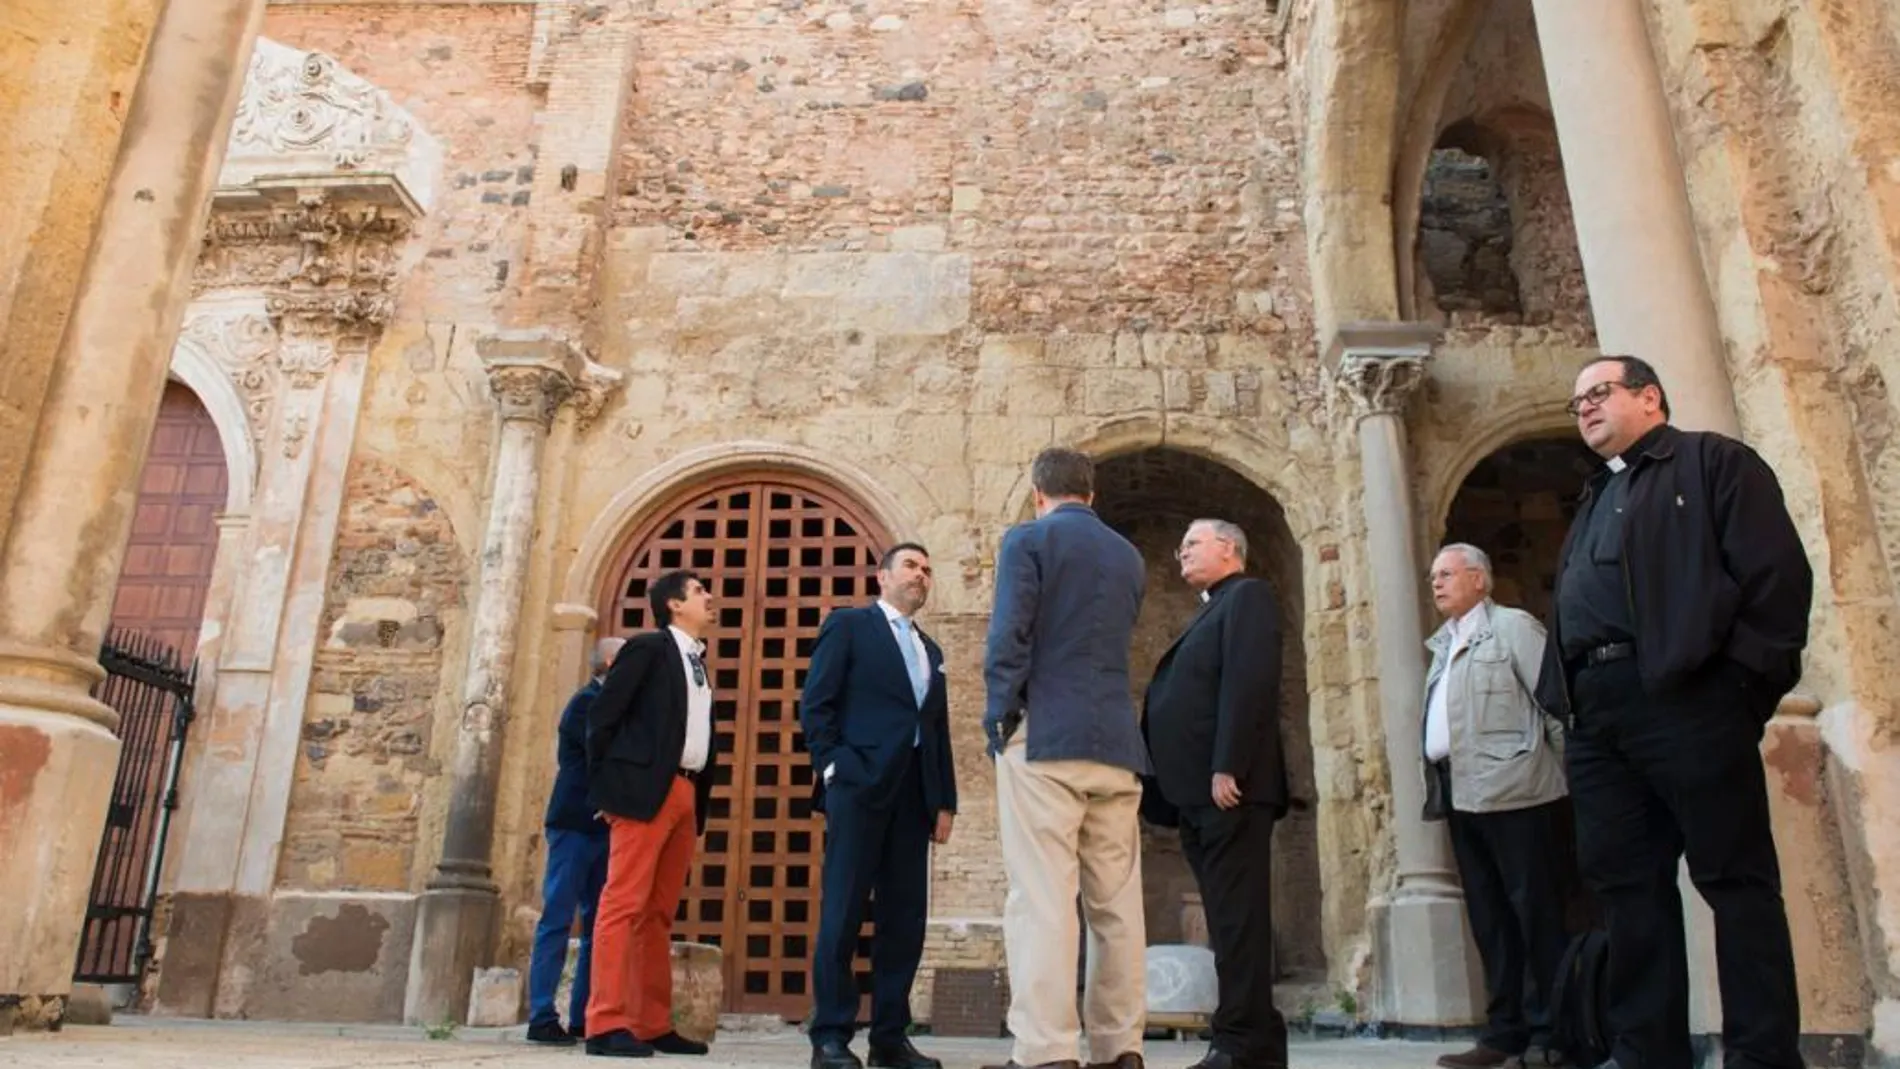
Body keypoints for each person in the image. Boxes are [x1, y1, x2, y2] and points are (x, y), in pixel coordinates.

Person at [1532, 355, 1813, 1069]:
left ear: (1650, 396)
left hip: (1688, 699)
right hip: (1599, 717)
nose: (1586, 408)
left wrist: (1738, 688)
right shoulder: (1598, 493)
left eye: (1599, 392)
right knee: (1627, 887)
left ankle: (1760, 1053)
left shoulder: (1713, 463)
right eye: (1578, 402)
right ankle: (1645, 1050)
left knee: (1734, 879)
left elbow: (1776, 577)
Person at [983, 447, 1149, 1069]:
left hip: (1046, 735)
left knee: (1043, 898)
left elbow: (1010, 633)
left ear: (1038, 493)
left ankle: (1047, 1050)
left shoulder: (1028, 541)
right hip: (1115, 743)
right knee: (1117, 904)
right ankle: (1120, 1046)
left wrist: (1000, 713)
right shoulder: (1128, 555)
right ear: (1092, 494)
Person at [802, 543, 959, 1069]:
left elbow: (935, 731)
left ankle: (890, 1038)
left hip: (913, 798)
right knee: (843, 911)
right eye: (912, 566)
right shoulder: (849, 626)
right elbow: (817, 703)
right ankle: (830, 1037)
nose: (922, 575)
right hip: (859, 788)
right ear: (883, 576)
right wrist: (835, 767)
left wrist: (944, 801)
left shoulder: (931, 651)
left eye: (927, 569)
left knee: (905, 919)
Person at [1142, 519, 1289, 1069]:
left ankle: (1239, 1042)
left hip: (1229, 791)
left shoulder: (1247, 596)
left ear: (1229, 548)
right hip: (1199, 796)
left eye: (1192, 543)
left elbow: (1249, 682)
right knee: (1231, 919)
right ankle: (1258, 1046)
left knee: (1237, 921)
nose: (1180, 551)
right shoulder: (1214, 605)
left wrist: (1229, 765)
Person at [1420, 544, 1569, 1069]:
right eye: (1433, 576)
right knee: (1490, 918)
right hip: (1463, 794)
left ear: (1480, 579)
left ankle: (1555, 1034)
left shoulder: (1514, 628)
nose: (1436, 583)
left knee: (1537, 913)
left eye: (1447, 574)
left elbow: (1554, 705)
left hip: (1519, 791)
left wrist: (1567, 778)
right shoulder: (1443, 645)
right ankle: (1505, 1033)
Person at [584, 571, 720, 1059]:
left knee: (659, 913)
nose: (709, 597)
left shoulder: (699, 663)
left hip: (686, 792)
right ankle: (605, 1023)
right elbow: (603, 717)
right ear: (674, 604)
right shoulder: (646, 649)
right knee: (623, 905)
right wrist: (606, 787)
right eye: (700, 591)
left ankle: (651, 1022)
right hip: (644, 792)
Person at [526, 636, 626, 1045]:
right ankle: (541, 1015)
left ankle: (585, 1016)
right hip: (573, 823)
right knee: (557, 917)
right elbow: (595, 757)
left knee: (598, 925)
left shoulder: (614, 706)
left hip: (603, 827)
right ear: (606, 661)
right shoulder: (585, 703)